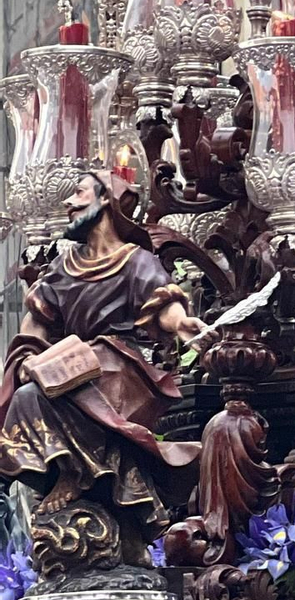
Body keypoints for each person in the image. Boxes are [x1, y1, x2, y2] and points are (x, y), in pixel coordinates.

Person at [0, 172, 205, 572]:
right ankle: (72, 470)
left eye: (78, 194)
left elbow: (163, 303)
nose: (69, 204)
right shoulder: (62, 268)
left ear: (106, 200)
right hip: (69, 364)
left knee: (65, 385)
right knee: (27, 396)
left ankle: (77, 474)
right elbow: (36, 326)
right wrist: (28, 355)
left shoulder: (134, 260)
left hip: (118, 366)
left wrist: (182, 324)